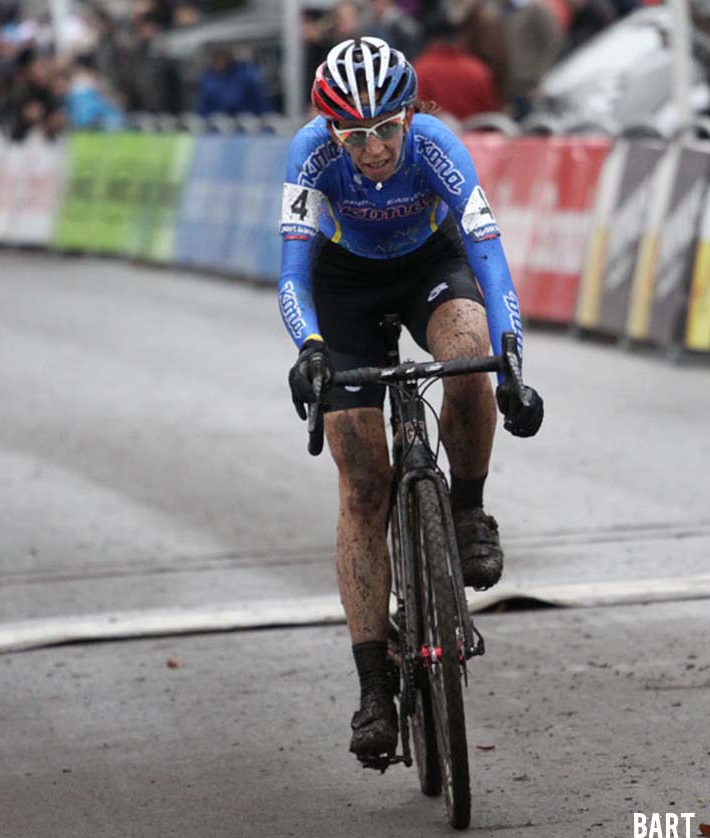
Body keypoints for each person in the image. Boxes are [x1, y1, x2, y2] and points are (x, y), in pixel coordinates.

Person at [277, 36, 544, 760]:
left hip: (431, 263)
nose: (371, 149)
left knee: (466, 350)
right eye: (354, 136)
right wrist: (309, 350)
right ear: (331, 132)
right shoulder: (309, 155)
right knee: (363, 481)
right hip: (345, 284)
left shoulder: (437, 145)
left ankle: (467, 510)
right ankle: (372, 688)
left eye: (386, 130)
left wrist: (510, 360)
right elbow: (294, 272)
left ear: (409, 116)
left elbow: (488, 254)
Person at [414, 13, 501, 120]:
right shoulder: (478, 69)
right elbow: (491, 113)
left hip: (435, 134)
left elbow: (416, 113)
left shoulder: (421, 69)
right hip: (477, 133)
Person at [194, 46, 269, 116]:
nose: (218, 63)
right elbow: (204, 103)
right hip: (217, 121)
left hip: (246, 119)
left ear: (228, 60)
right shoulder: (208, 78)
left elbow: (258, 100)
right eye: (216, 60)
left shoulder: (245, 75)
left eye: (221, 59)